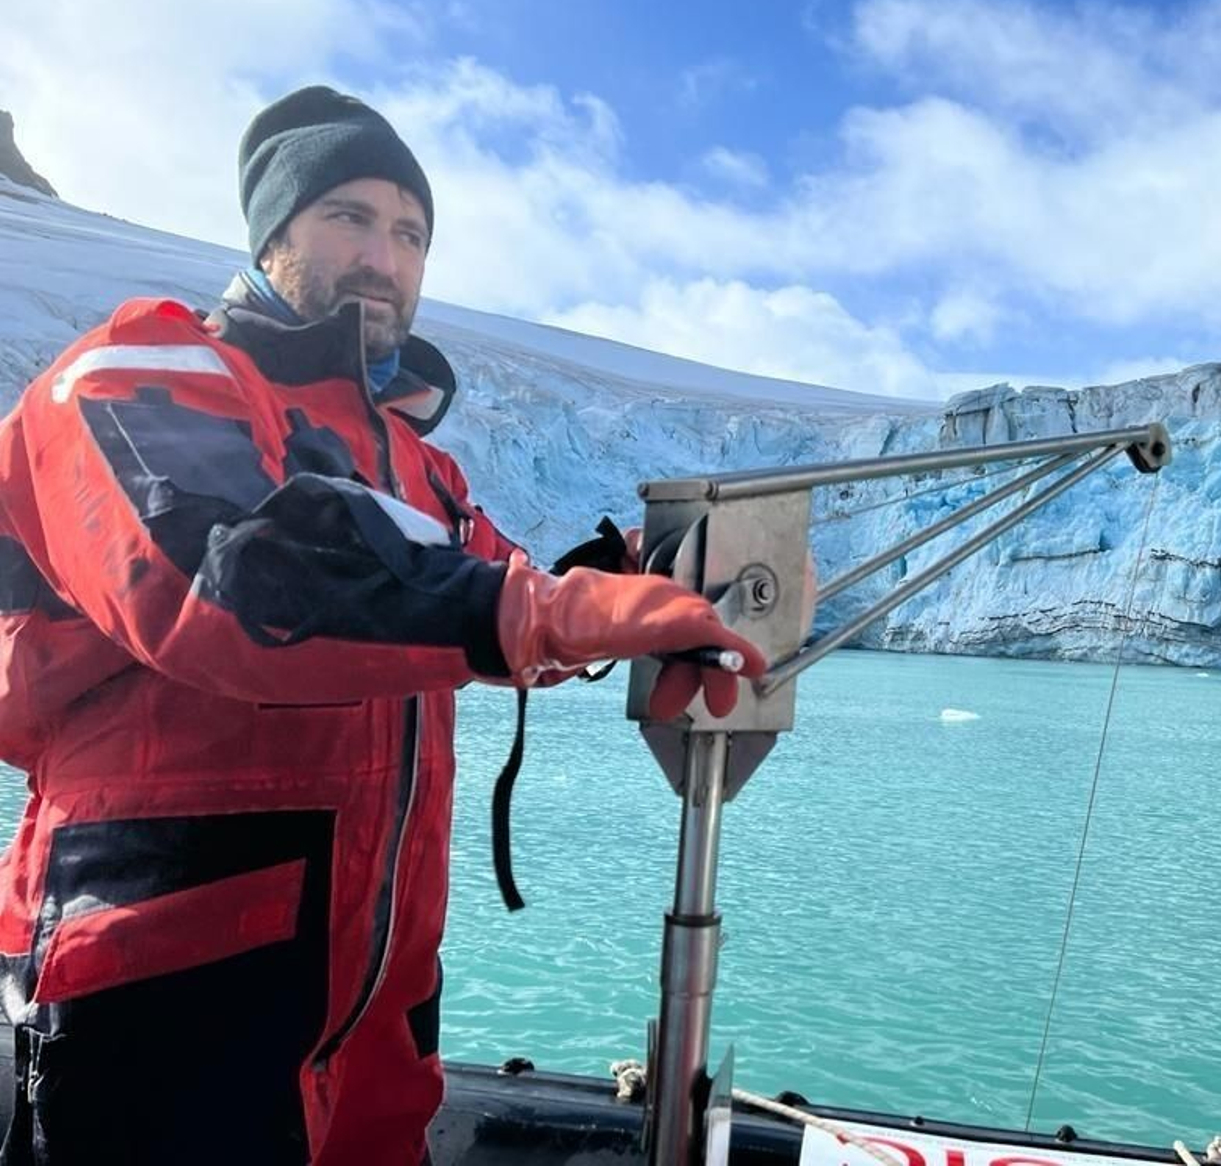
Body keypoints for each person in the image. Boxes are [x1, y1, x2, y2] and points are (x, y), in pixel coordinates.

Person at [0, 85, 764, 1164]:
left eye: (409, 234)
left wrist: (634, 593)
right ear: (274, 233)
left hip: (375, 993)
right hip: (161, 980)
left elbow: (490, 582)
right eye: (348, 217)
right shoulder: (139, 375)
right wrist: (534, 613)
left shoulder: (413, 461)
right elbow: (222, 585)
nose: (384, 256)